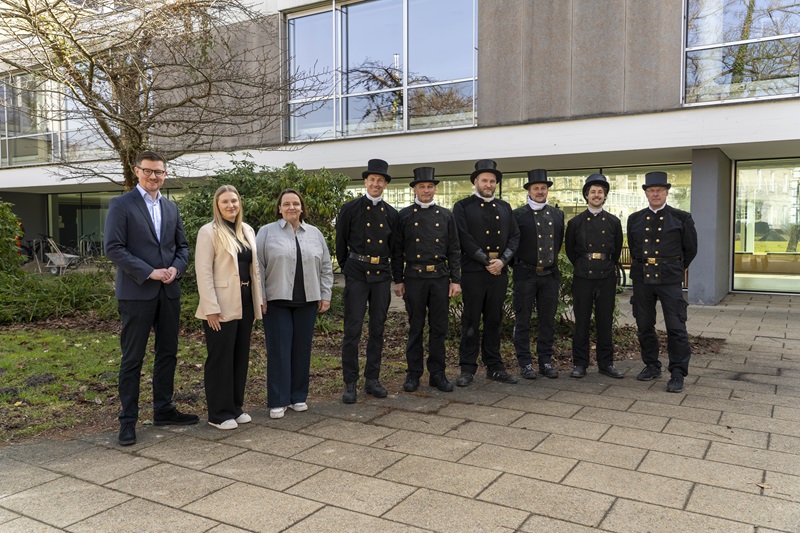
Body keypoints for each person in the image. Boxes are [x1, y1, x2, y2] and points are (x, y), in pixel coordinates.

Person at [104, 150, 197, 446]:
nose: (154, 176)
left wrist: (175, 268)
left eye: (159, 172)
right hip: (137, 292)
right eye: (148, 171)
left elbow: (182, 247)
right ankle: (128, 421)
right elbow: (114, 248)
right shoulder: (121, 205)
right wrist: (149, 272)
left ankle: (163, 409)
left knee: (168, 352)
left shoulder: (171, 208)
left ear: (165, 174)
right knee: (133, 358)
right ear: (137, 172)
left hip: (169, 291)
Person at [257, 189, 333, 419]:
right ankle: (278, 400)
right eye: (286, 204)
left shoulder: (315, 233)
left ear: (302, 207)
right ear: (279, 208)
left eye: (296, 203)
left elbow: (327, 266)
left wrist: (325, 294)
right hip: (277, 300)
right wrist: (260, 296)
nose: (292, 207)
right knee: (279, 351)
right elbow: (257, 267)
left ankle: (298, 396)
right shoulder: (266, 232)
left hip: (307, 300)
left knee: (302, 350)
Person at [195, 185, 262, 430]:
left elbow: (254, 269)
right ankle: (218, 414)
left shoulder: (247, 230)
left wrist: (258, 301)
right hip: (220, 305)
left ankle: (235, 407)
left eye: (234, 200)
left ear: (239, 203)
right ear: (217, 205)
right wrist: (210, 307)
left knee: (240, 357)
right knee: (220, 359)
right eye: (225, 201)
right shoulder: (208, 232)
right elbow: (203, 272)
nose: (230, 205)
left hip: (244, 302)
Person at [392, 167, 461, 393]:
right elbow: (397, 250)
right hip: (414, 277)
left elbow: (454, 250)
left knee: (439, 327)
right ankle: (413, 373)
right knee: (416, 327)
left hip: (440, 277)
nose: (426, 190)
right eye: (421, 186)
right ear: (414, 189)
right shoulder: (404, 215)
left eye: (430, 186)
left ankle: (437, 373)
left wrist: (455, 280)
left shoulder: (446, 215)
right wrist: (398, 280)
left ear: (435, 189)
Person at [336, 159, 399, 404]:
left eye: (380, 180)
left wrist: (396, 278)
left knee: (377, 329)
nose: (376, 184)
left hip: (381, 276)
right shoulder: (350, 208)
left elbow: (395, 249)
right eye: (372, 179)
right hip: (357, 275)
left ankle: (372, 379)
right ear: (366, 181)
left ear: (385, 185)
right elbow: (340, 243)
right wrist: (348, 269)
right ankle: (350, 382)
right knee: (352, 330)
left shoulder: (391, 214)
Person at [628, 171, 698, 392]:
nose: (655, 194)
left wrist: (674, 267)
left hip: (669, 279)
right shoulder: (635, 219)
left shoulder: (681, 217)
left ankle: (677, 372)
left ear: (667, 192)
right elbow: (634, 247)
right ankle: (651, 365)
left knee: (676, 327)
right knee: (644, 325)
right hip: (642, 279)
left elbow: (690, 249)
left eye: (659, 190)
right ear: (646, 193)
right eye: (651, 190)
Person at [453, 159, 520, 386]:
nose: (488, 184)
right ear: (475, 181)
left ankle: (494, 367)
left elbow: (514, 237)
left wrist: (502, 261)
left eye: (492, 181)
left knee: (494, 320)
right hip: (474, 272)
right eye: (484, 180)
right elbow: (464, 238)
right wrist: (486, 260)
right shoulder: (462, 207)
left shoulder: (505, 207)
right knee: (471, 321)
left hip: (498, 273)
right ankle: (467, 368)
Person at [565, 174, 624, 379]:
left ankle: (606, 364)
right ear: (586, 195)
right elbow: (572, 252)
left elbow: (616, 251)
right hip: (583, 276)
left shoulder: (614, 222)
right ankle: (580, 364)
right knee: (581, 321)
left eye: (600, 192)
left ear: (605, 196)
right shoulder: (575, 222)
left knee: (605, 321)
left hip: (606, 276)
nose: (597, 195)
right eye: (593, 192)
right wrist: (583, 265)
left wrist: (606, 264)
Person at [512, 169, 565, 379]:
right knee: (522, 320)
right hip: (525, 275)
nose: (540, 191)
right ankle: (525, 363)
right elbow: (513, 244)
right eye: (536, 188)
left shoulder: (557, 214)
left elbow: (558, 242)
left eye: (543, 188)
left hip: (550, 276)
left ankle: (545, 361)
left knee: (547, 320)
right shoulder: (517, 215)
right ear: (529, 190)